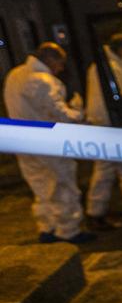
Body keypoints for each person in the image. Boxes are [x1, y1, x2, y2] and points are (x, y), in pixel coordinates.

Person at [2, 42, 96, 244]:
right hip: (46, 142)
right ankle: (69, 231)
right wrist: (79, 114)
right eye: (60, 63)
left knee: (41, 186)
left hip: (20, 140)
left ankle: (47, 227)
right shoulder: (43, 80)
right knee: (62, 185)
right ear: (50, 59)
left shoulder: (14, 75)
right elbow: (58, 113)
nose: (61, 69)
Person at [84, 33, 122, 230]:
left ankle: (96, 211)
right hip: (109, 125)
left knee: (107, 168)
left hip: (100, 124)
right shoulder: (112, 68)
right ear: (121, 49)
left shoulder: (98, 65)